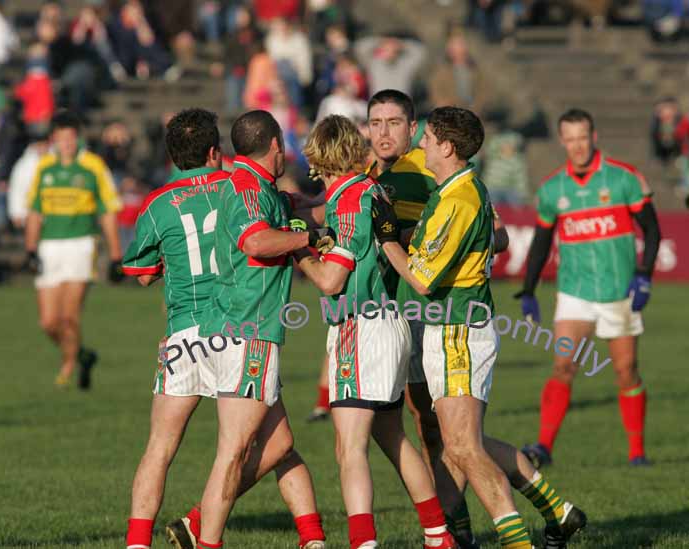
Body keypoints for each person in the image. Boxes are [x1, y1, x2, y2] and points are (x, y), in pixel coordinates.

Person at [121, 108, 325, 549]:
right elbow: (268, 221)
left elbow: (141, 272)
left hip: (182, 332)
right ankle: (204, 526)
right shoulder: (239, 187)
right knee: (259, 445)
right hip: (237, 324)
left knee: (160, 449)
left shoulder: (158, 204)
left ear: (174, 157)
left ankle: (139, 543)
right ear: (217, 151)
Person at [373, 106, 537, 548]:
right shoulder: (453, 193)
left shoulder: (458, 200)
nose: (420, 143)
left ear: (446, 146)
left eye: (426, 137)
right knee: (461, 445)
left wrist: (386, 238)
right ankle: (520, 527)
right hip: (453, 329)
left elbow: (423, 279)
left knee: (463, 448)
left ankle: (518, 539)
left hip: (457, 330)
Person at [296, 114, 456, 549]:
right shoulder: (370, 190)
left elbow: (332, 280)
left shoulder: (348, 200)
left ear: (318, 157)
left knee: (348, 448)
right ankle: (439, 536)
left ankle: (362, 543)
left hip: (359, 327)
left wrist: (300, 253)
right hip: (388, 322)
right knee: (393, 436)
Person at [194, 110, 328, 549]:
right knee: (233, 452)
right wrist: (308, 240)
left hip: (244, 329)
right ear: (275, 145)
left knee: (281, 443)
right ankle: (203, 535)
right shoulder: (251, 189)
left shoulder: (261, 188)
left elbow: (306, 210)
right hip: (246, 331)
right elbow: (256, 241)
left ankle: (312, 539)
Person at [517, 108, 661, 468]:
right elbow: (541, 241)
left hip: (618, 292)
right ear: (562, 141)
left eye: (583, 137)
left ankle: (637, 452)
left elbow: (653, 230)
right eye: (571, 139)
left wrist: (643, 275)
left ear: (594, 137)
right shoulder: (553, 189)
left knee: (625, 370)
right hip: (574, 293)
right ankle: (544, 446)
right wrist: (529, 289)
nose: (578, 146)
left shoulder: (624, 178)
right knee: (563, 364)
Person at [24, 110, 123, 389]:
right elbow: (34, 211)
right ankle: (81, 354)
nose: (66, 143)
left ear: (77, 139)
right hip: (49, 246)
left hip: (80, 245)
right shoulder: (44, 168)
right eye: (60, 138)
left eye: (70, 138)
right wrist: (30, 249)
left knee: (69, 317)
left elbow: (108, 212)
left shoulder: (93, 166)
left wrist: (116, 255)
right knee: (48, 322)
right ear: (53, 139)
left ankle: (68, 365)